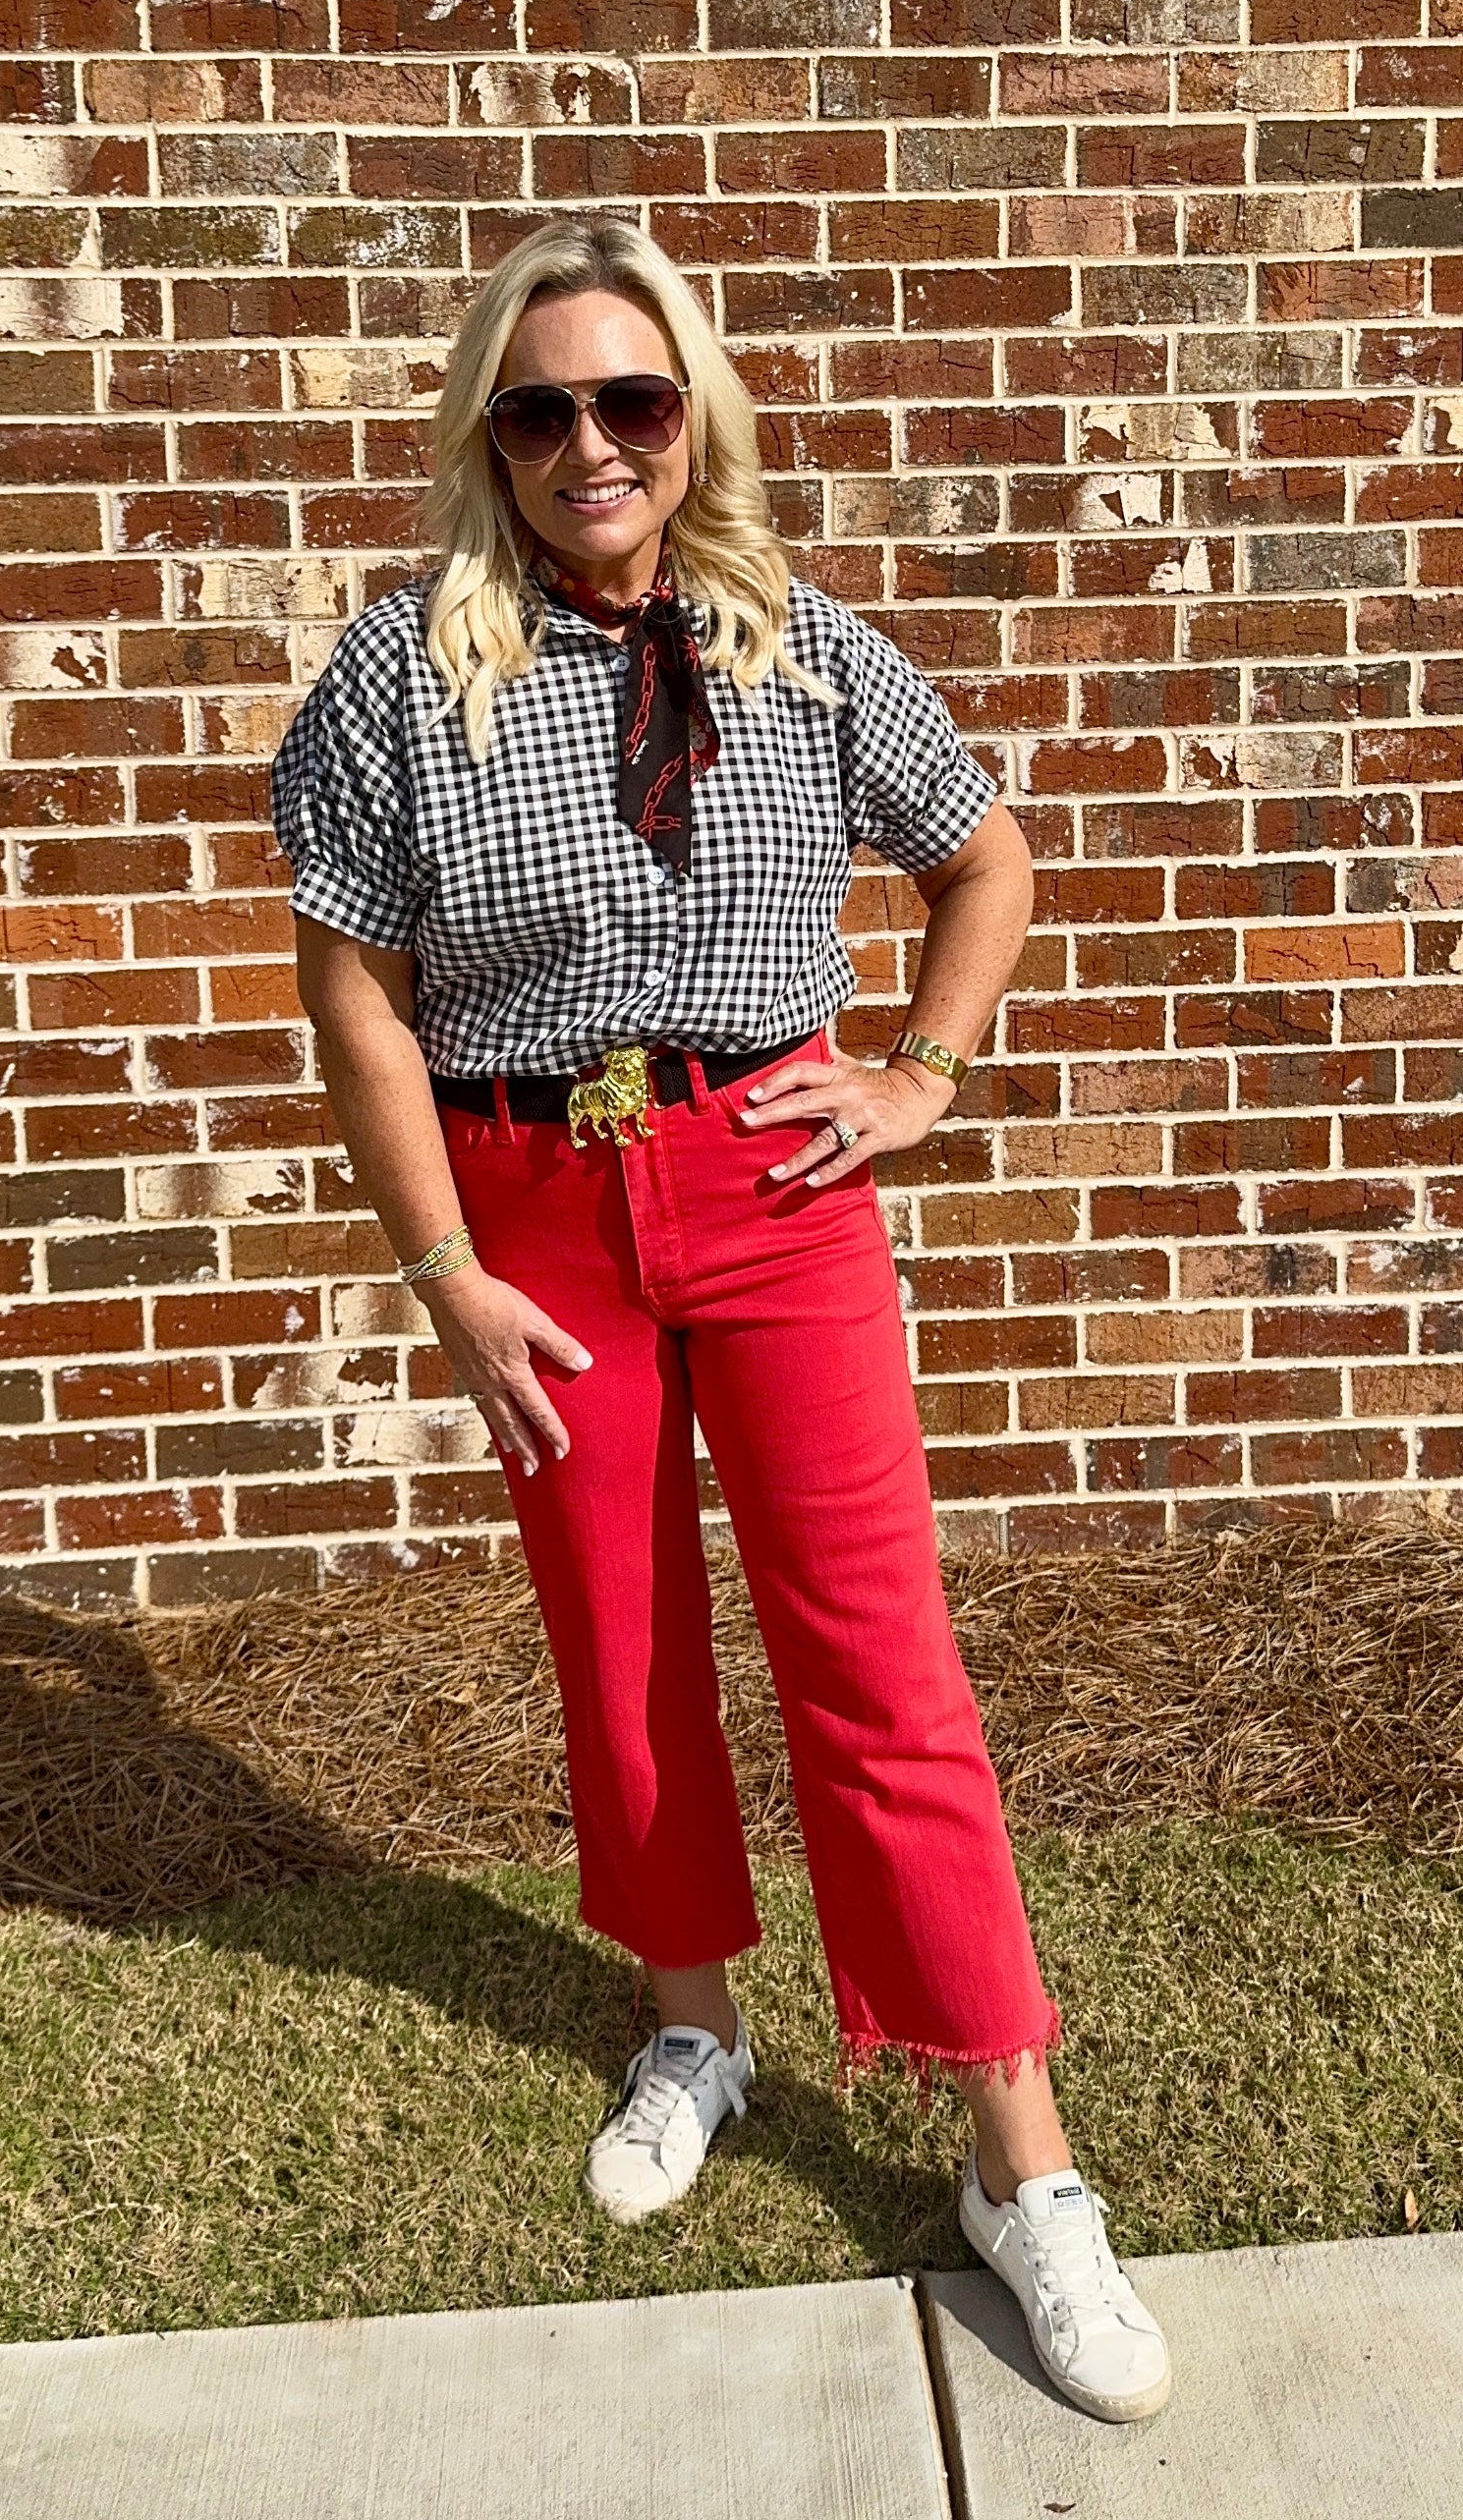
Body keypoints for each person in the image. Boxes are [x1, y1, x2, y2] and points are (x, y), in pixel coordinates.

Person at [269, 212, 1170, 2425]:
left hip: (772, 1190)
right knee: (622, 1643)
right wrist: (445, 1273)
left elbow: (986, 858)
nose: (591, 443)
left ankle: (1021, 2163)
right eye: (542, 408)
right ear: (491, 434)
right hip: (532, 1205)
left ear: (693, 417)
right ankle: (694, 2023)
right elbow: (352, 991)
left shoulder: (800, 645)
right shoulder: (397, 678)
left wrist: (921, 1073)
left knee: (880, 1663)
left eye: (632, 398)